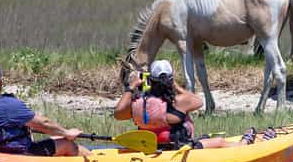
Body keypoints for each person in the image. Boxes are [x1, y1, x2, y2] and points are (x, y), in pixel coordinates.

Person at [114, 60, 276, 149]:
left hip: (153, 147)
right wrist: (175, 85)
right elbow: (198, 102)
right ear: (170, 80)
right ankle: (244, 145)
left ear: (151, 80)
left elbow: (118, 113)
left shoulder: (137, 104)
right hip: (178, 147)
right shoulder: (177, 102)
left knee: (205, 138)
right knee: (218, 142)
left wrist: (132, 87)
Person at [0, 61, 90, 157]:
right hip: (18, 154)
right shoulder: (8, 104)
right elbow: (44, 123)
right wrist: (67, 132)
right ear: (0, 82)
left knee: (56, 139)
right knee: (67, 144)